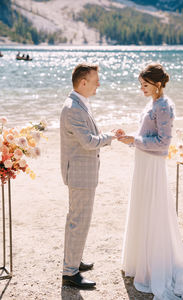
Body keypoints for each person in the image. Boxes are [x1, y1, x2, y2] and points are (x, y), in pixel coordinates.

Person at [118, 63, 183, 299]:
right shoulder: (153, 103)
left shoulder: (164, 106)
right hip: (143, 163)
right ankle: (139, 262)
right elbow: (148, 135)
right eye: (140, 85)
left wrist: (135, 139)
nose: (141, 89)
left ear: (157, 84)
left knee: (153, 211)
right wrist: (131, 139)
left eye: (145, 85)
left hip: (153, 166)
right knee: (142, 209)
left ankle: (154, 265)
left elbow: (163, 143)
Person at [60, 63, 118, 289]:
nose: (99, 84)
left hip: (81, 172)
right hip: (79, 174)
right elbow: (88, 142)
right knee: (78, 221)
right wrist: (110, 136)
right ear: (83, 83)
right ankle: (70, 272)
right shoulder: (73, 108)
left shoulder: (79, 103)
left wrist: (107, 135)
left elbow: (88, 136)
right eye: (96, 81)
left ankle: (73, 261)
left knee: (77, 219)